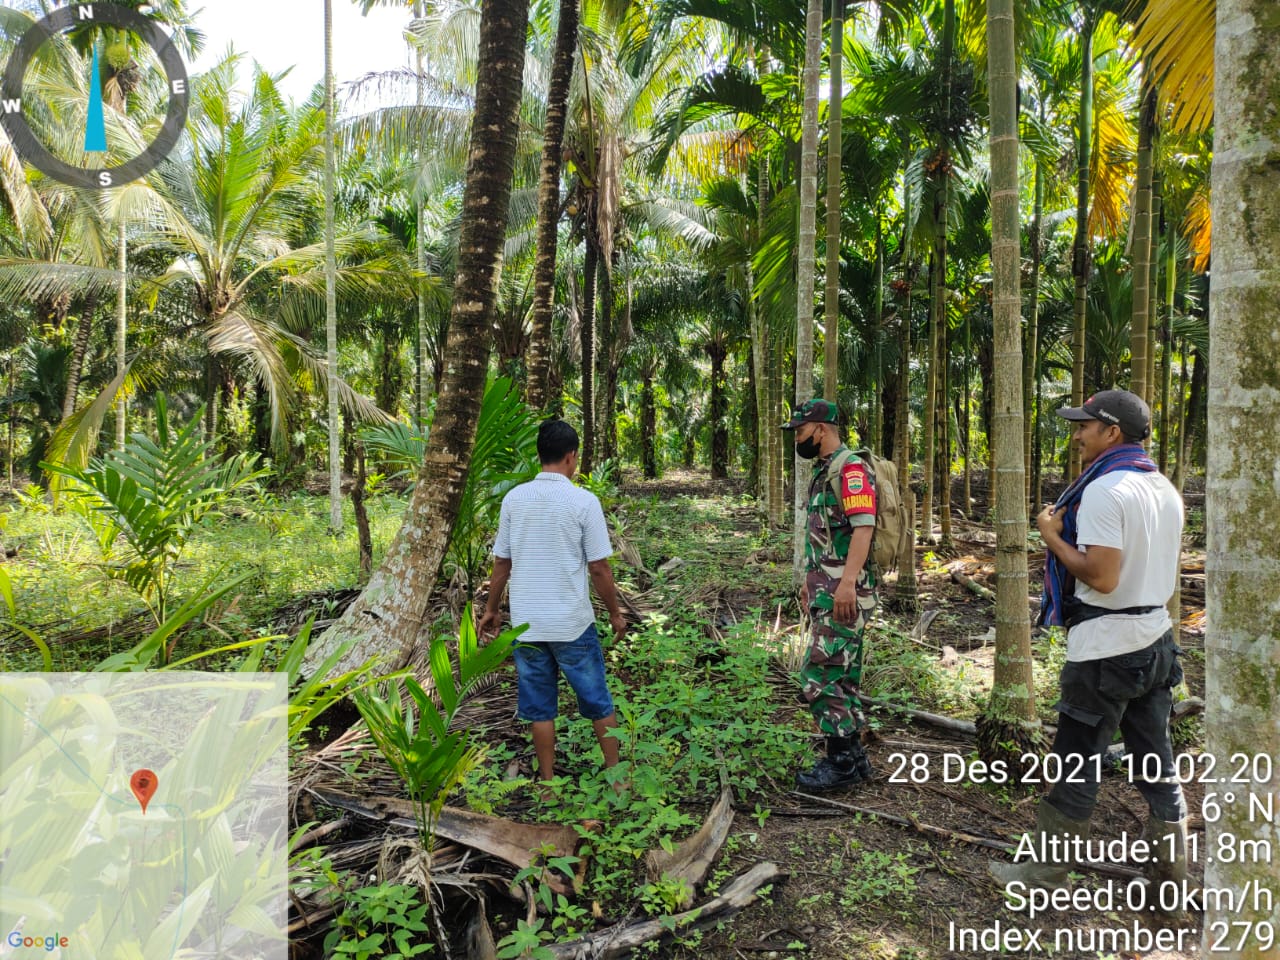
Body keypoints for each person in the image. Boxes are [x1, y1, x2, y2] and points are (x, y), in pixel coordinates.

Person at [989, 390, 1188, 903]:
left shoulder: (1105, 490)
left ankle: (1042, 878)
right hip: (1156, 639)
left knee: (1076, 764)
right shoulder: (1163, 488)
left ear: (1112, 432)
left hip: (1106, 648)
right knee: (1157, 764)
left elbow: (1101, 576)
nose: (1077, 435)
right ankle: (1170, 880)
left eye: (1084, 426)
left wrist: (1050, 536)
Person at [478, 419, 628, 788]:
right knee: (597, 700)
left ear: (540, 455)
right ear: (571, 456)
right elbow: (599, 567)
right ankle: (616, 778)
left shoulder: (514, 500)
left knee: (540, 709)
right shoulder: (583, 501)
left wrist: (492, 609)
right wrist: (614, 612)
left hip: (528, 625)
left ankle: (547, 784)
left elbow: (502, 563)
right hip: (571, 624)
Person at [782, 398, 879, 791]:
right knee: (842, 676)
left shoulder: (850, 469)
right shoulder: (825, 470)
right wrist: (811, 586)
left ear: (821, 429)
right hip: (829, 591)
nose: (797, 439)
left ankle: (839, 764)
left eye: (801, 431)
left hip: (844, 594)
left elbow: (864, 528)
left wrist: (846, 584)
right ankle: (853, 757)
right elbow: (824, 539)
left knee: (818, 676)